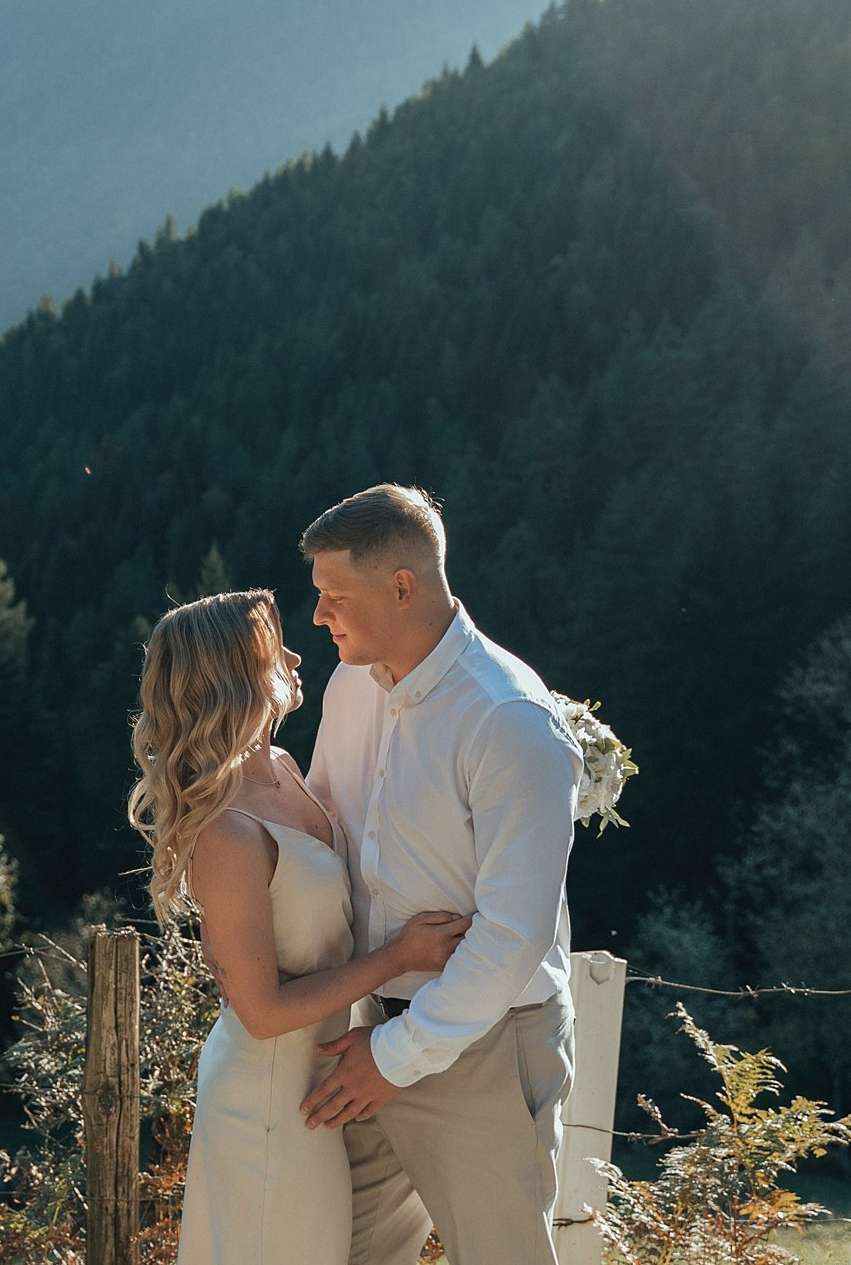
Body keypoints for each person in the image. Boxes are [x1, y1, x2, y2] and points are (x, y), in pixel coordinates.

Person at [130, 589, 475, 1265]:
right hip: (265, 1103)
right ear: (237, 676)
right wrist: (400, 955)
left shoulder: (286, 768)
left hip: (313, 1091)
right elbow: (259, 1011)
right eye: (272, 648)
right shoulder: (227, 828)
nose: (294, 655)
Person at [298, 484, 582, 1265]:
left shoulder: (508, 718)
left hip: (488, 1043)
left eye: (334, 595)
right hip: (372, 1029)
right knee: (331, 1251)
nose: (319, 614)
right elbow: (322, 830)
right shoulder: (348, 684)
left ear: (401, 587)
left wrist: (390, 1057)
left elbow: (510, 939)